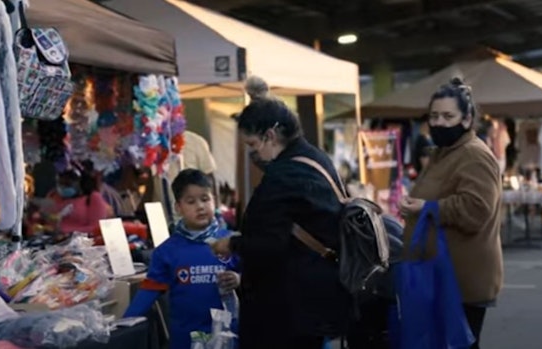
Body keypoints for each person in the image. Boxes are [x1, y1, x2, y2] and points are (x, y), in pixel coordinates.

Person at [210, 76, 351, 349]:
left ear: (270, 136)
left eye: (253, 145)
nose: (255, 155)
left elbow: (270, 243)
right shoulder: (314, 157)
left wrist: (232, 243)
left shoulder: (284, 176)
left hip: (289, 305)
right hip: (317, 293)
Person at [398, 78, 503, 349]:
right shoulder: (444, 153)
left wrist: (428, 208)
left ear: (467, 120)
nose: (439, 123)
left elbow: (477, 208)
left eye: (448, 116)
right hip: (442, 277)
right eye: (434, 116)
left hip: (460, 283)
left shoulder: (473, 155)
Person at [123, 169, 240, 349]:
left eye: (205, 199)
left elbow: (258, 278)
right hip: (185, 340)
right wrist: (122, 325)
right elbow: (147, 293)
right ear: (178, 207)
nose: (200, 206)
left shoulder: (232, 242)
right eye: (191, 201)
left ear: (214, 200)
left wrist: (239, 279)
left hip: (229, 337)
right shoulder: (166, 252)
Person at [39, 161, 110, 235]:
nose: (63, 187)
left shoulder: (93, 197)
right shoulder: (53, 195)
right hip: (51, 242)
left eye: (68, 184)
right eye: (60, 183)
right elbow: (42, 219)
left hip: (81, 243)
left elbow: (97, 228)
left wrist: (67, 232)